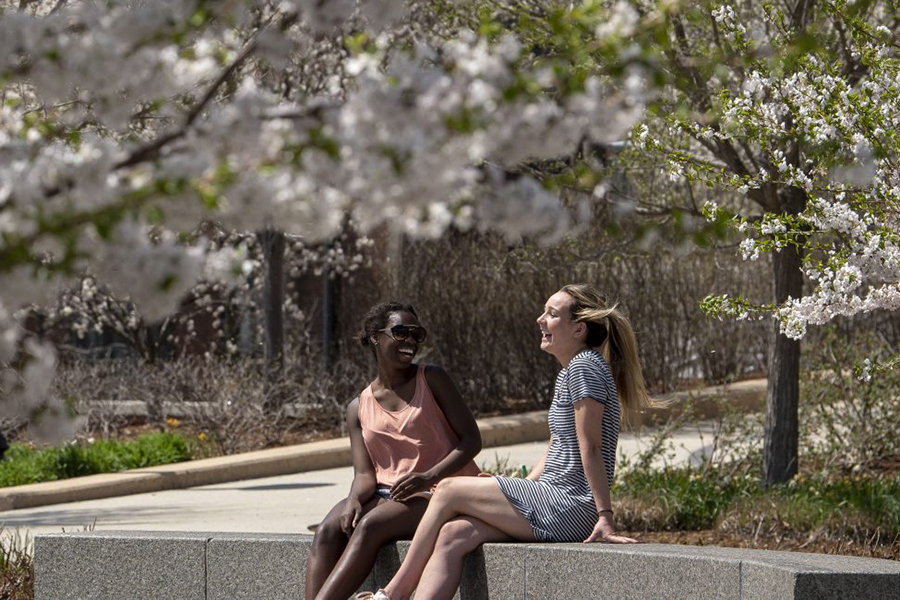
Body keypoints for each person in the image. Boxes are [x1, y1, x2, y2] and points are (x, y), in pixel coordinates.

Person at [360, 284, 651, 600]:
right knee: (454, 534)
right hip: (551, 502)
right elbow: (557, 447)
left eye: (552, 314)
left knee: (446, 489)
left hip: (572, 506)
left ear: (578, 329)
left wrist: (604, 516)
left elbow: (590, 447)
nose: (540, 320)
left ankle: (391, 594)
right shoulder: (573, 370)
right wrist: (513, 491)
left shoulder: (584, 367)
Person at [304, 301, 482, 600]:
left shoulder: (433, 379)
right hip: (386, 494)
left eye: (417, 334)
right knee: (327, 531)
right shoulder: (357, 407)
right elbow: (364, 474)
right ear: (375, 336)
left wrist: (427, 477)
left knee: (371, 525)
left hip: (439, 493)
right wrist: (353, 500)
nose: (410, 341)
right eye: (401, 332)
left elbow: (471, 441)